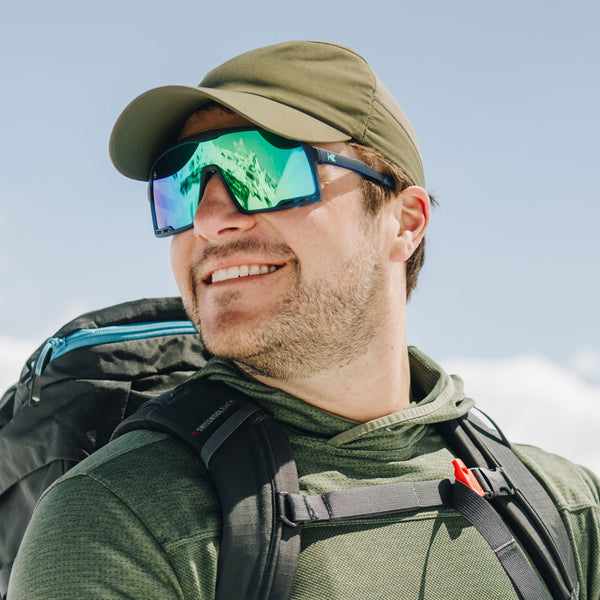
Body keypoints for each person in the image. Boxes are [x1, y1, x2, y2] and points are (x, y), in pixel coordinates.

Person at [8, 40, 600, 599]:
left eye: (264, 170)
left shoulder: (565, 509)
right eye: (183, 185)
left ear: (405, 221)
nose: (211, 220)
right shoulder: (120, 518)